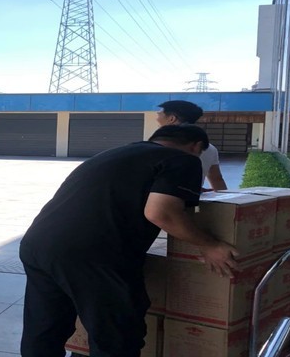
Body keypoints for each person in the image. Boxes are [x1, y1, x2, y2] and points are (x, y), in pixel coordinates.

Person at [19, 124, 239, 357]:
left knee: (45, 330)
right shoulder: (184, 159)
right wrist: (210, 244)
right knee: (116, 337)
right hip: (92, 254)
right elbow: (161, 212)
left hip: (38, 243)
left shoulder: (116, 154)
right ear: (196, 146)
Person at [156, 100, 228, 191]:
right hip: (190, 198)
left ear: (171, 119)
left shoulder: (158, 147)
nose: (157, 119)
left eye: (159, 115)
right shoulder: (209, 148)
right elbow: (217, 179)